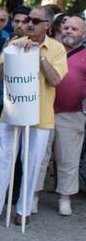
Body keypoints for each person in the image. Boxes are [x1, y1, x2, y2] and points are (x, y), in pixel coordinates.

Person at [0, 6, 68, 225]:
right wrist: (13, 54)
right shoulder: (13, 44)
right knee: (2, 161)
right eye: (28, 20)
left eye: (36, 21)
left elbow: (56, 80)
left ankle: (24, 211)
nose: (30, 24)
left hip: (40, 117)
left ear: (47, 25)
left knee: (32, 165)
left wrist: (38, 56)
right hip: (11, 114)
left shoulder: (56, 48)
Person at [33, 14, 84, 216]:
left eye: (74, 29)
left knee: (69, 159)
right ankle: (33, 195)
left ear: (84, 33)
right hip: (43, 110)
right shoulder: (51, 49)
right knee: (38, 157)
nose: (69, 31)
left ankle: (65, 198)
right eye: (67, 27)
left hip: (72, 114)